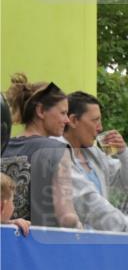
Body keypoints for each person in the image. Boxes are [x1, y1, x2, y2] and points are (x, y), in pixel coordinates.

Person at [61, 92, 128, 236]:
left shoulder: (94, 155)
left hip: (96, 245)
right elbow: (89, 203)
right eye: (95, 121)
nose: (100, 128)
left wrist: (124, 153)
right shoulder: (57, 154)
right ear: (73, 120)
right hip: (71, 246)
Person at [1, 75, 77, 227]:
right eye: (63, 113)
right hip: (40, 246)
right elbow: (66, 216)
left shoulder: (3, 146)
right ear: (41, 111)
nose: (67, 120)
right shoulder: (57, 151)